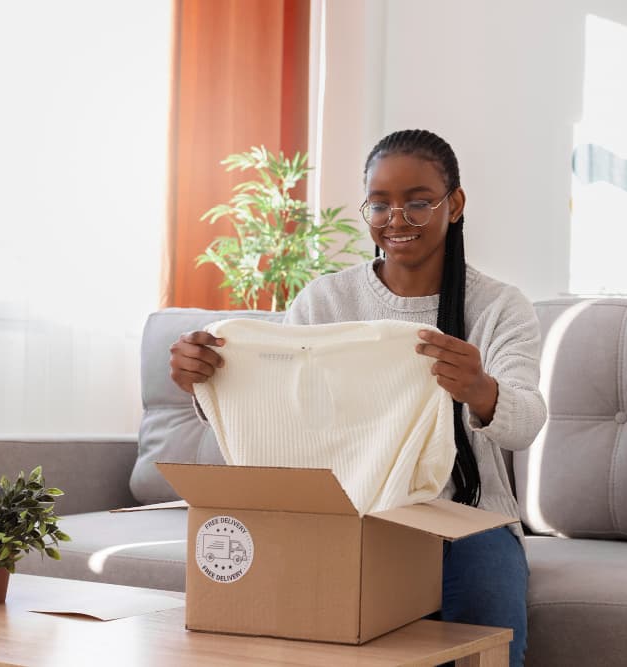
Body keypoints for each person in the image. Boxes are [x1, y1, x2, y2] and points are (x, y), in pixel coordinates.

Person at [169, 129, 547, 666]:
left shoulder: (498, 308)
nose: (398, 218)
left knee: (488, 641)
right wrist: (205, 382)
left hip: (463, 519)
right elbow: (282, 412)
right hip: (344, 516)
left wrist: (481, 390)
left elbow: (526, 423)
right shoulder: (325, 300)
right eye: (381, 203)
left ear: (454, 204)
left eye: (418, 201)